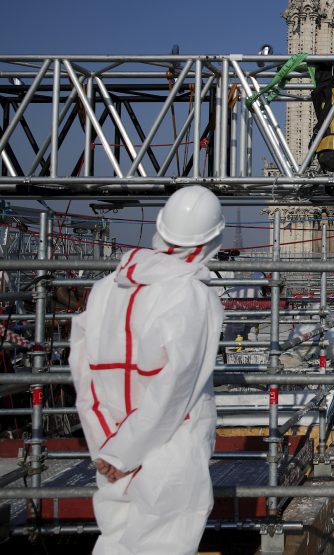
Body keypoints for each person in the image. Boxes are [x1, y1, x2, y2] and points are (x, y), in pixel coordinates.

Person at [70, 186, 225, 554]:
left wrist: (106, 445)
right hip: (168, 447)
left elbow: (83, 367)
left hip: (110, 440)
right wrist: (127, 452)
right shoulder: (194, 296)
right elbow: (176, 386)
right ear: (213, 239)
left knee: (115, 540)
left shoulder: (106, 287)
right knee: (164, 541)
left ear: (159, 226)